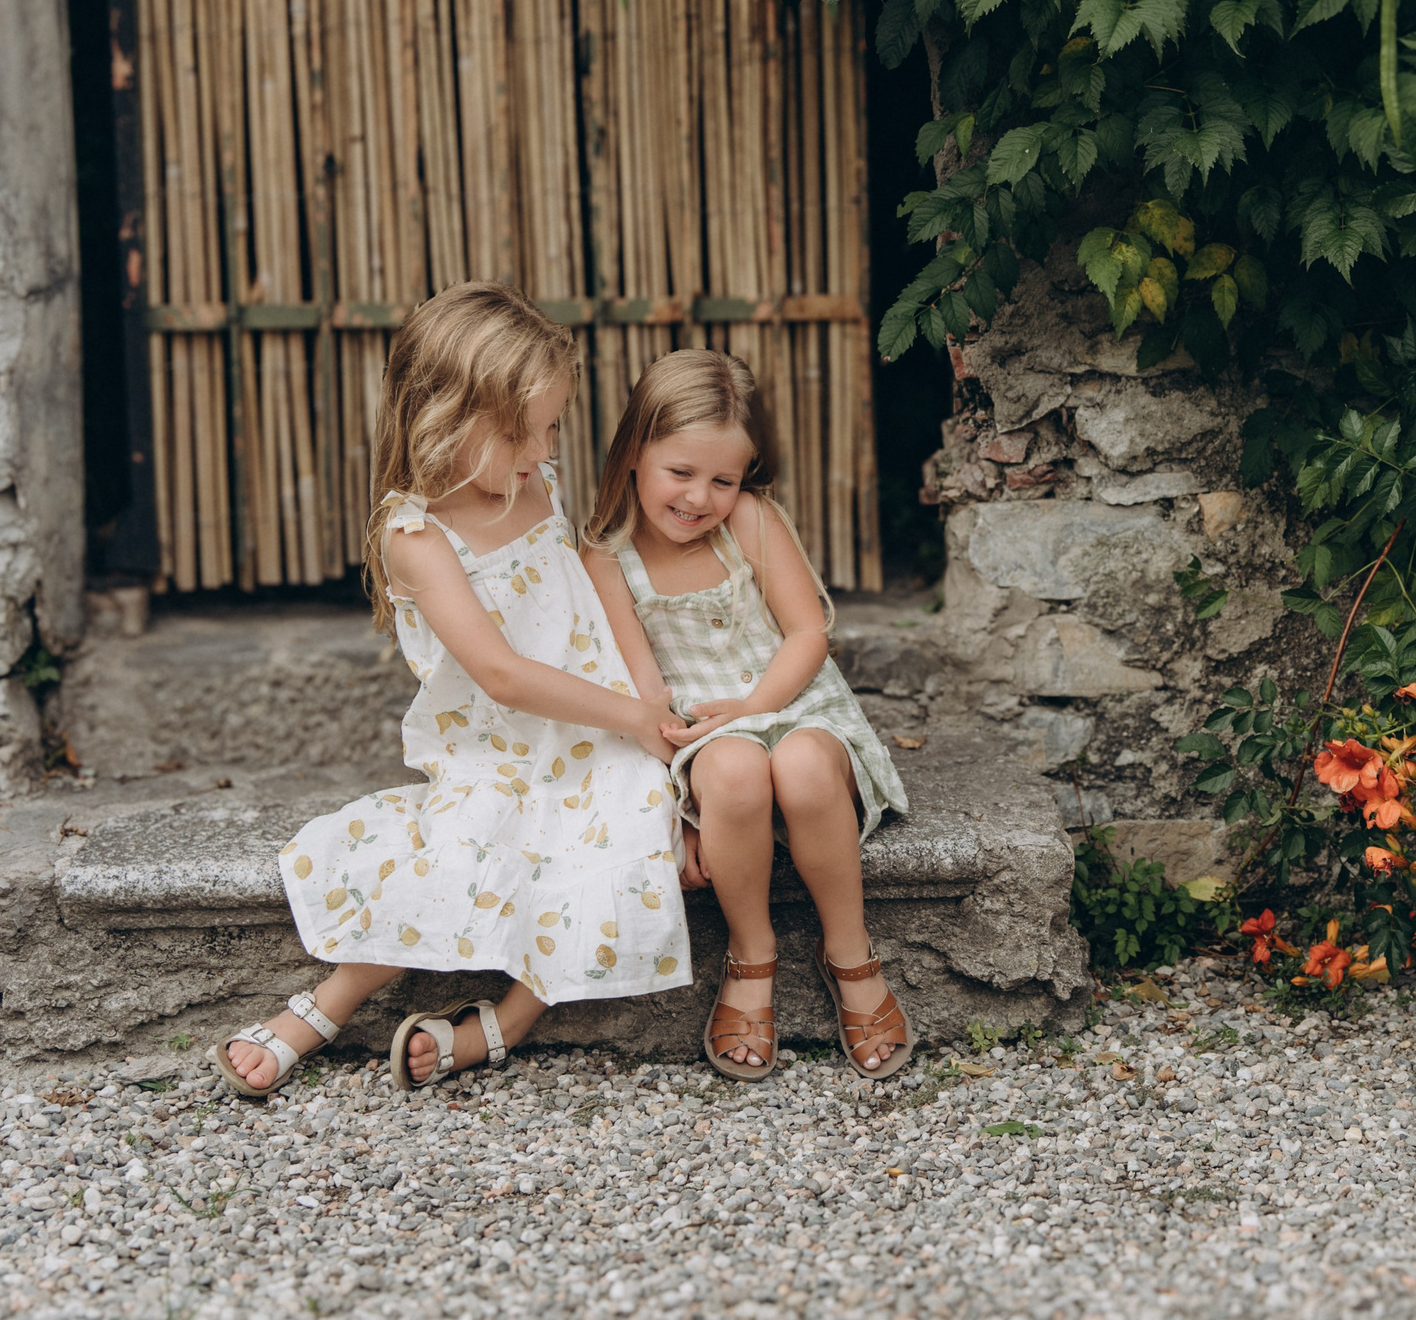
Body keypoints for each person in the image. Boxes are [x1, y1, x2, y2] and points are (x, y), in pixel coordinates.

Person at [214, 282, 690, 1097]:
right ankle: (323, 1005)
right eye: (523, 431)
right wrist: (634, 715)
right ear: (449, 413)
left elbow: (596, 597)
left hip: (596, 726)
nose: (543, 451)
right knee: (462, 849)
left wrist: (651, 711)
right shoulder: (417, 535)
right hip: (501, 744)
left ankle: (503, 1023)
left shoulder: (533, 484)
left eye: (551, 428)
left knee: (631, 837)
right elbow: (500, 673)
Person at [583, 349, 912, 1079]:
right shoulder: (606, 557)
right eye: (682, 472)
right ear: (635, 451)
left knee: (796, 764)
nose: (701, 497)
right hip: (707, 731)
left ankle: (850, 952)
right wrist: (683, 814)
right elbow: (647, 692)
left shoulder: (751, 522)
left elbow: (807, 634)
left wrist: (757, 705)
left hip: (795, 703)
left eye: (723, 479)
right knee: (732, 772)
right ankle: (751, 955)